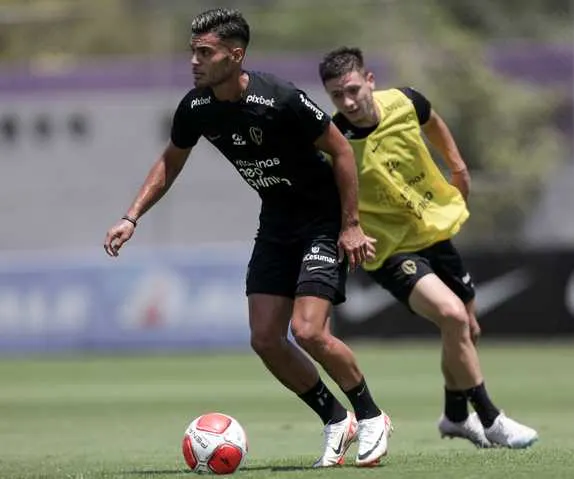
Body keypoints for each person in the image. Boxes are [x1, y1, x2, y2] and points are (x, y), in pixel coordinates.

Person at [103, 9, 392, 467]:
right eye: (192, 52)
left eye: (205, 53)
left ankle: (371, 414)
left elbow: (340, 151)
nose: (194, 62)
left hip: (321, 218)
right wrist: (131, 216)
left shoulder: (280, 99)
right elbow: (170, 161)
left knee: (308, 331)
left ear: (235, 56)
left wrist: (350, 224)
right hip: (277, 221)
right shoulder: (196, 106)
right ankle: (336, 419)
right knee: (265, 338)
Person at [318, 46, 538, 449]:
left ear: (370, 81)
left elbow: (431, 119)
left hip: (433, 232)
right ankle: (491, 420)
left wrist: (458, 166)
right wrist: (347, 232)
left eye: (352, 90)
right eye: (337, 96)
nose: (347, 102)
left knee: (466, 328)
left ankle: (455, 416)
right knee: (453, 316)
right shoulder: (336, 140)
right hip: (389, 251)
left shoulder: (405, 101)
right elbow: (327, 197)